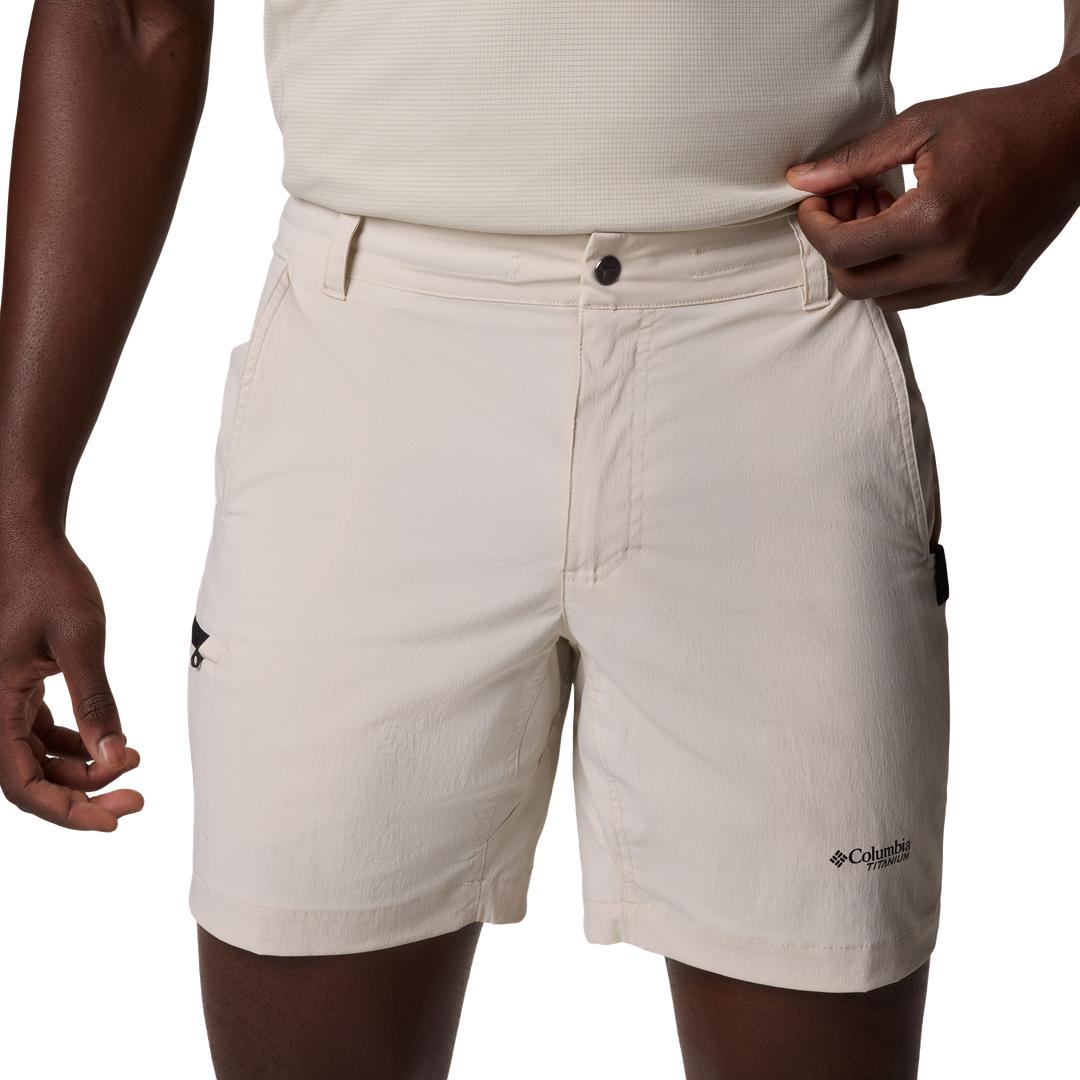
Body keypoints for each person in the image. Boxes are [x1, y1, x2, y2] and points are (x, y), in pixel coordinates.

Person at [1, 2, 1077, 1077]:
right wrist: (18, 501)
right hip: (369, 376)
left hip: (776, 338)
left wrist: (1073, 115)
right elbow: (128, 20)